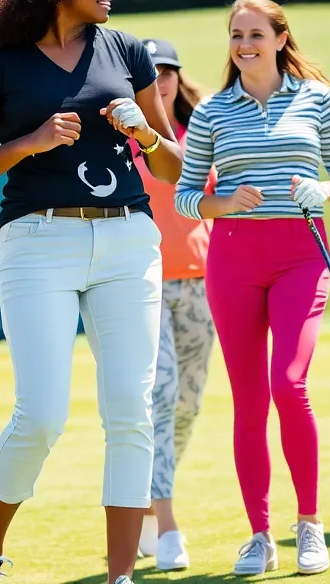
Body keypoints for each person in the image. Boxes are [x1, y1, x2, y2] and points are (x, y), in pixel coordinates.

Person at [0, 0, 185, 584]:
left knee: (131, 411)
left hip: (129, 240)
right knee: (42, 415)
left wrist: (146, 133)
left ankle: (119, 578)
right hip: (37, 242)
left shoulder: (129, 52)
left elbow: (171, 170)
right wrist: (26, 143)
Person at [172, 0, 330, 577]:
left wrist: (324, 191)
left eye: (256, 33)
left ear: (281, 38)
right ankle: (259, 534)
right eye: (236, 35)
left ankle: (309, 525)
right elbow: (185, 197)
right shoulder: (211, 112)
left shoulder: (316, 99)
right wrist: (222, 202)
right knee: (249, 400)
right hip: (233, 260)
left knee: (289, 382)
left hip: (301, 256)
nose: (245, 44)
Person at [130, 38, 217, 572]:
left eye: (167, 71)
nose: (159, 79)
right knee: (160, 396)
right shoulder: (124, 139)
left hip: (203, 282)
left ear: (178, 78)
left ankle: (146, 495)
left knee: (188, 405)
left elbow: (219, 195)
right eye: (150, 71)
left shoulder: (201, 132)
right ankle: (167, 525)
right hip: (145, 285)